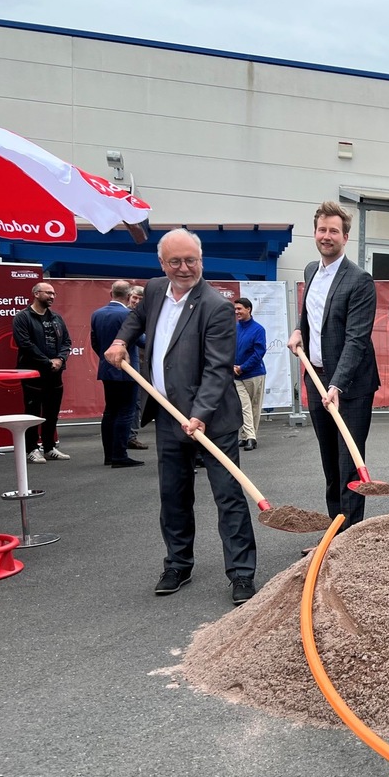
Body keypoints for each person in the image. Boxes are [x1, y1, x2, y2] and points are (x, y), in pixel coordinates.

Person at [105, 228, 258, 606]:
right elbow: (135, 319)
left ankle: (241, 573)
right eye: (176, 261)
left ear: (201, 261)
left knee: (228, 497)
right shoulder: (155, 290)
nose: (185, 268)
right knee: (173, 496)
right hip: (168, 416)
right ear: (162, 263)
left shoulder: (216, 306)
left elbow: (217, 368)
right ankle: (177, 563)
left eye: (191, 260)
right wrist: (122, 340)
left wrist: (200, 414)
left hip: (212, 420)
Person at [287, 201, 380, 527]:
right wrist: (299, 329)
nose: (327, 236)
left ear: (345, 237)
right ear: (315, 233)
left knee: (349, 463)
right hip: (316, 378)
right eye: (322, 230)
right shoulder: (312, 270)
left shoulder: (359, 281)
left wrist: (336, 384)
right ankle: (334, 529)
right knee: (330, 461)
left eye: (333, 231)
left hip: (349, 386)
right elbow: (311, 313)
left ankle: (350, 536)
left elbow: (356, 339)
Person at [12, 281, 72, 463]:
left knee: (52, 412)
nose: (52, 297)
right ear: (36, 294)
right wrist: (47, 362)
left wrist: (60, 360)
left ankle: (49, 447)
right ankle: (31, 448)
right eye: (48, 293)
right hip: (33, 373)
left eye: (53, 294)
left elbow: (67, 342)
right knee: (32, 411)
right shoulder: (22, 317)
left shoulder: (56, 318)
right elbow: (25, 344)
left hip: (55, 373)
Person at [90, 280, 143, 468]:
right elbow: (141, 341)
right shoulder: (128, 314)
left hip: (107, 369)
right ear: (129, 296)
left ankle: (110, 455)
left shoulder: (97, 314)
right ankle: (120, 455)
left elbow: (95, 343)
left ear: (111, 293)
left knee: (110, 411)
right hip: (128, 370)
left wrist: (108, 359)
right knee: (126, 412)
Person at [233, 297, 267, 451]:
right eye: (236, 309)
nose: (237, 312)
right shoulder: (234, 328)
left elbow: (259, 352)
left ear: (249, 309)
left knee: (254, 406)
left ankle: (248, 435)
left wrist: (243, 367)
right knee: (244, 406)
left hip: (254, 374)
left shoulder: (258, 329)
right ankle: (250, 437)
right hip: (237, 376)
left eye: (239, 309)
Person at [125, 284, 148, 451]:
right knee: (133, 403)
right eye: (135, 298)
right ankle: (130, 436)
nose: (137, 301)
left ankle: (129, 436)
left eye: (141, 299)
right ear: (129, 297)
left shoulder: (148, 315)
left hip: (146, 363)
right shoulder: (126, 316)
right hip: (131, 365)